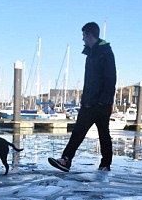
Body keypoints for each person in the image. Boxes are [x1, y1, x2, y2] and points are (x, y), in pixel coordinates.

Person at [49, 22, 117, 172]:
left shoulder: (105, 53)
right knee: (78, 132)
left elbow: (110, 78)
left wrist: (104, 101)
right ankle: (66, 160)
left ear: (89, 34)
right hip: (89, 102)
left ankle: (105, 164)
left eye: (83, 36)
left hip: (101, 104)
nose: (82, 40)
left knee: (103, 133)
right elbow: (90, 81)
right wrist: (84, 99)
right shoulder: (91, 54)